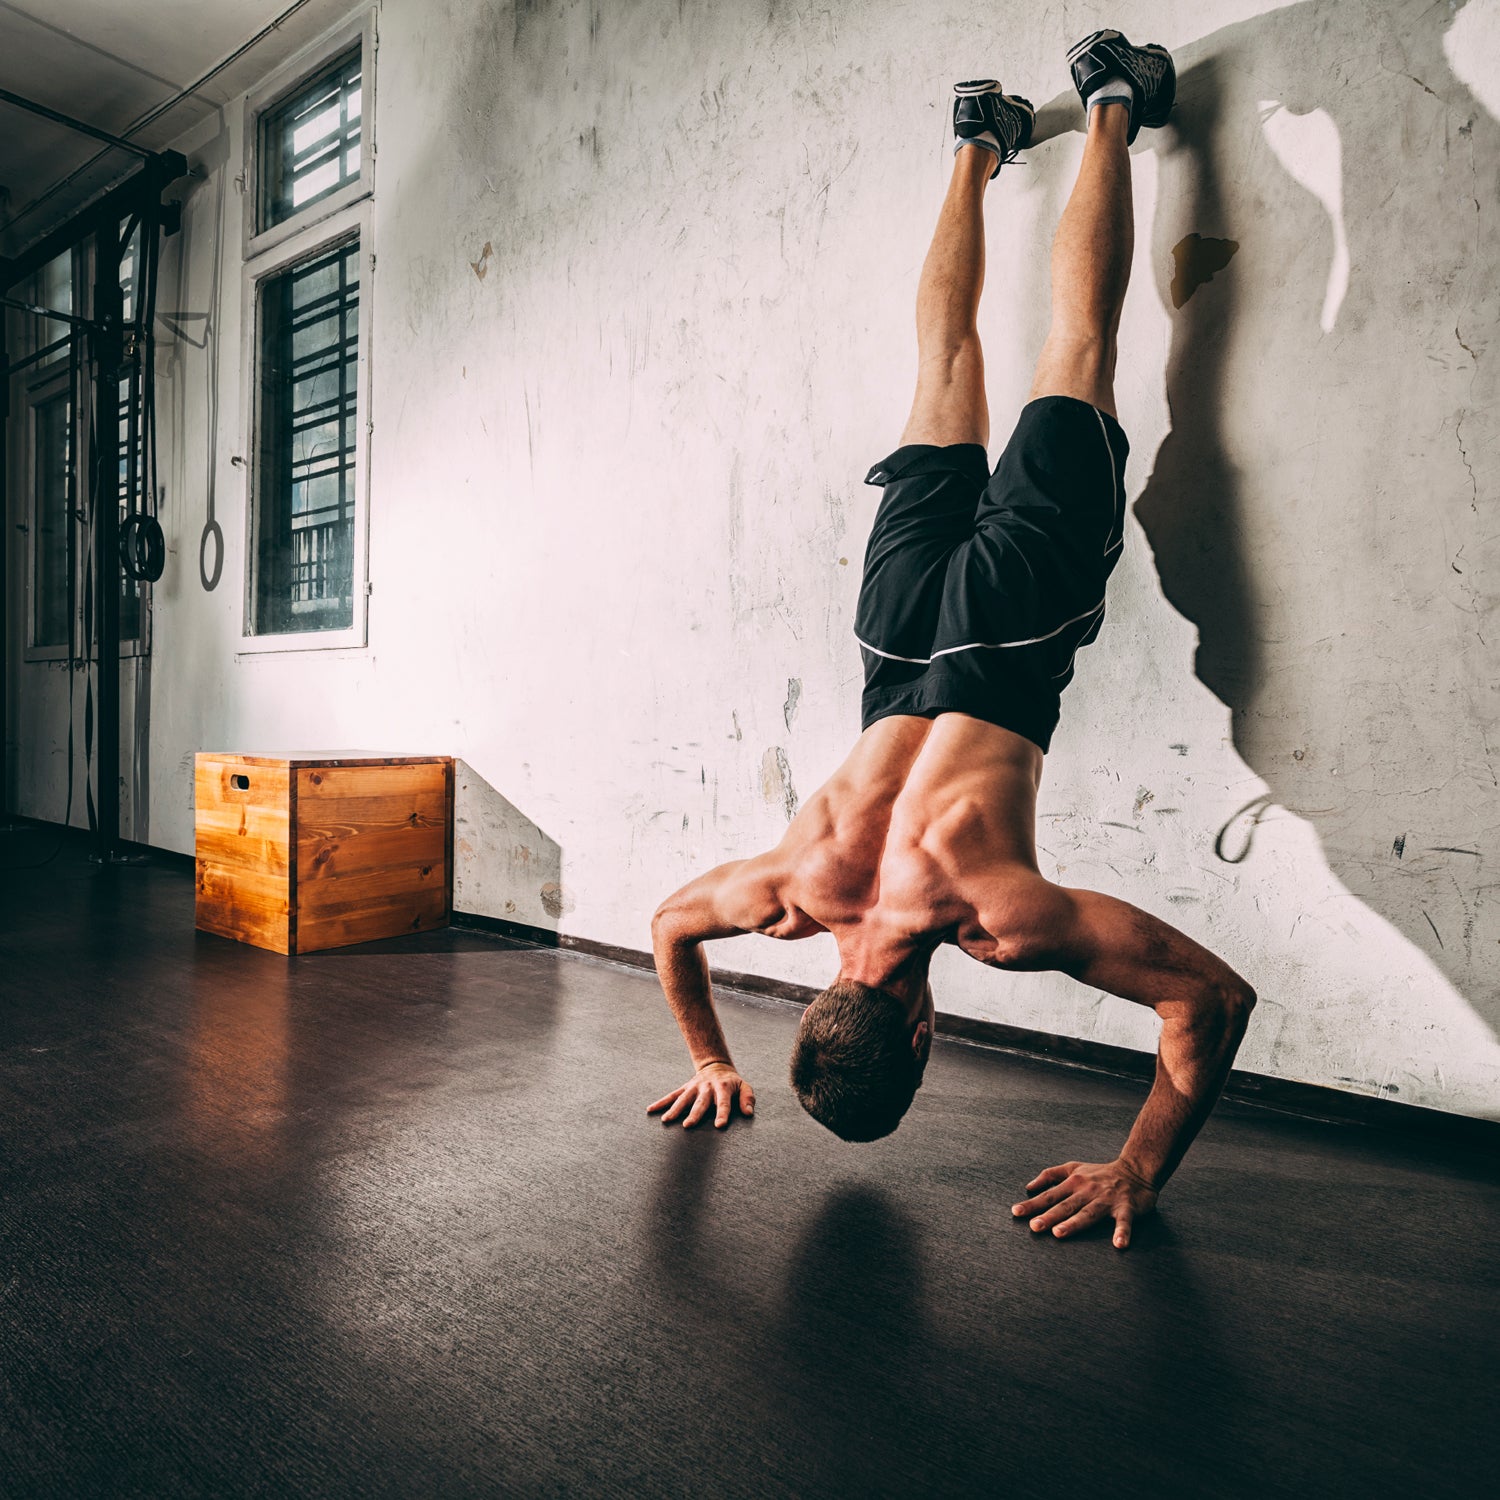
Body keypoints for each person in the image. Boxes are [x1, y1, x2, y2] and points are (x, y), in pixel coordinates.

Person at [647, 31, 1256, 1250]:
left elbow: (1212, 1000)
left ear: (922, 1035)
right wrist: (711, 1056)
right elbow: (669, 927)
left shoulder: (998, 920)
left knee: (1076, 347)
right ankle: (978, 141)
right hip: (892, 640)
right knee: (944, 364)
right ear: (820, 1006)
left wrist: (1139, 1170)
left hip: (1008, 634)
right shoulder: (784, 897)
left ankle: (1113, 105)